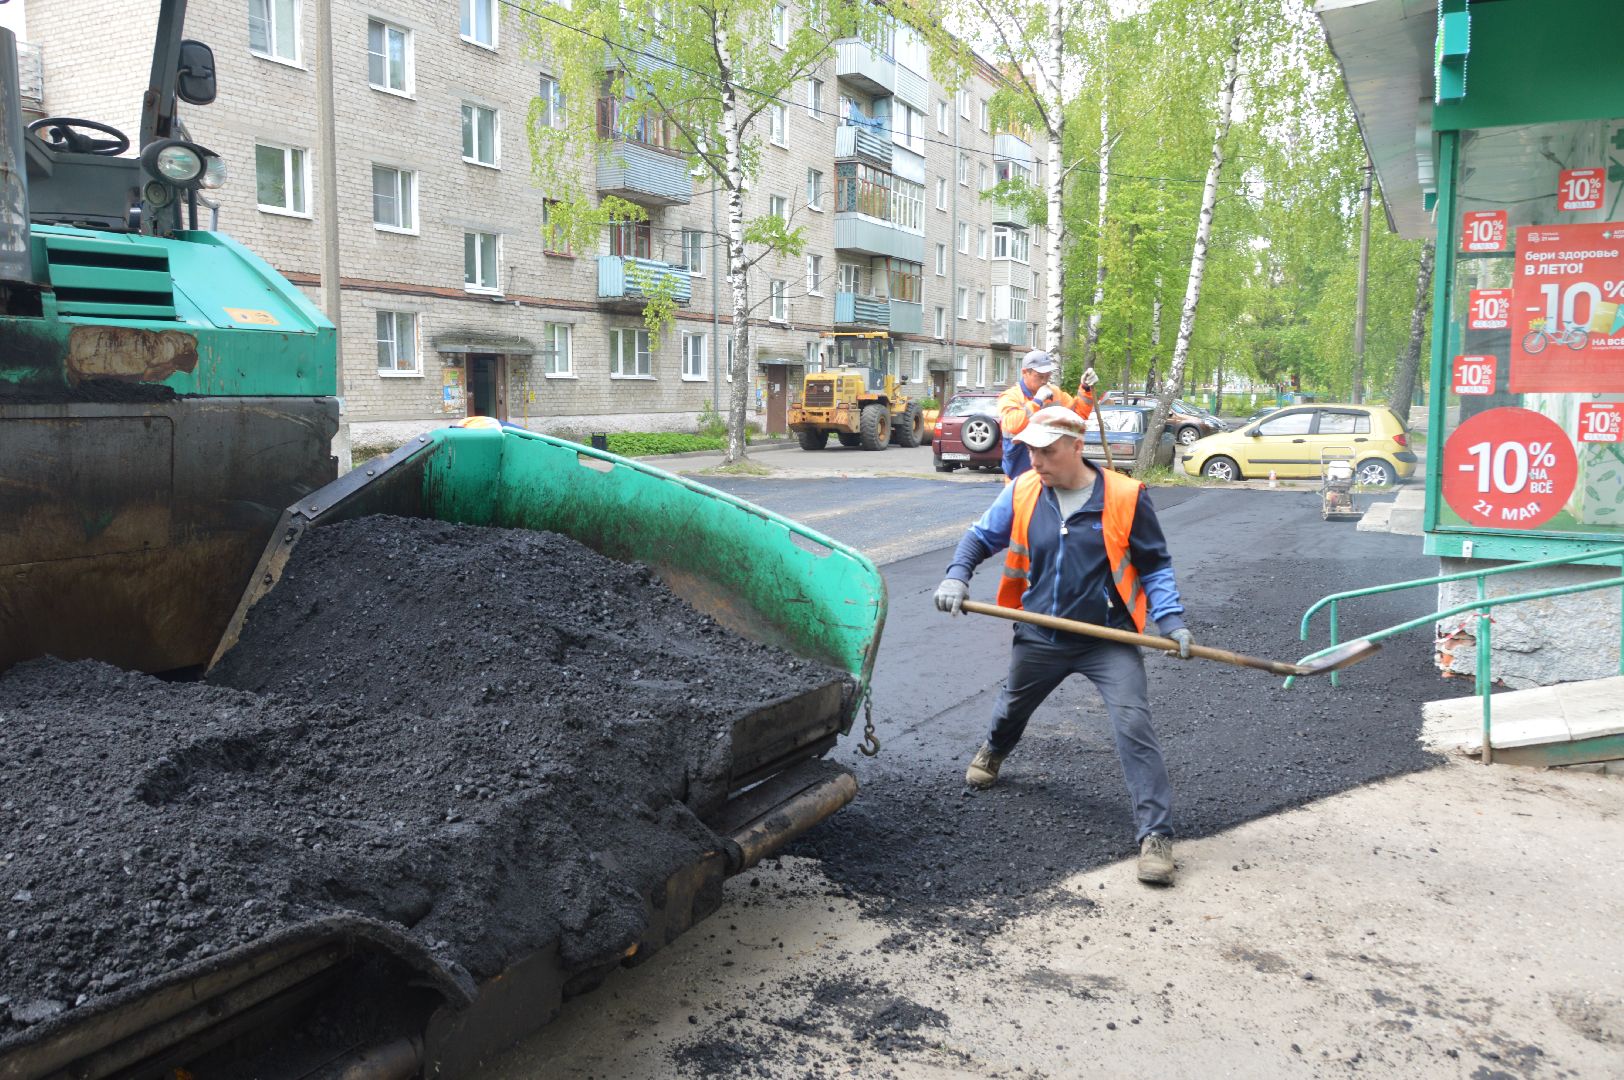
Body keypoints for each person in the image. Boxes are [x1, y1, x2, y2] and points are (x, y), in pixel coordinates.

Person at [932, 405, 1194, 886]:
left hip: (1106, 639)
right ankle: (993, 749)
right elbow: (978, 538)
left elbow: (1155, 565)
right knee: (1013, 705)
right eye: (1031, 449)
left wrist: (1171, 619)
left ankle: (1156, 834)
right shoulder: (1023, 490)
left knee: (1134, 724)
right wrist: (956, 576)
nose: (1036, 460)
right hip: (1040, 633)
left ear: (1077, 447)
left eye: (1047, 451)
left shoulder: (1126, 497)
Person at [997, 350, 1099, 480]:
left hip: (1052, 475)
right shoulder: (1011, 397)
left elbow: (1077, 416)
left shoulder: (1054, 393)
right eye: (1040, 376)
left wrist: (1085, 388)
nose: (1045, 381)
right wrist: (1037, 402)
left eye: (1048, 375)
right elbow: (1013, 425)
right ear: (1025, 372)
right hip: (1019, 475)